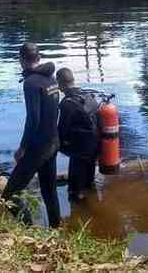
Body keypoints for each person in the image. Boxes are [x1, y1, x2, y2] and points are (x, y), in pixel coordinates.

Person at [1, 42, 61, 228]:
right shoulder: (51, 79)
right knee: (49, 191)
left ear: (21, 60)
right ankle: (56, 230)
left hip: (38, 148)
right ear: (38, 58)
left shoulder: (31, 83)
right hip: (53, 142)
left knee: (9, 195)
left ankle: (29, 229)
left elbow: (33, 120)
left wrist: (23, 148)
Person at [56, 67, 100, 202]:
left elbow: (62, 129)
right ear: (73, 80)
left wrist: (55, 144)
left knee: (75, 192)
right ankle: (92, 193)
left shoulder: (67, 103)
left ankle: (78, 202)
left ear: (60, 84)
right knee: (89, 182)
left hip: (79, 149)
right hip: (95, 145)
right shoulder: (89, 96)